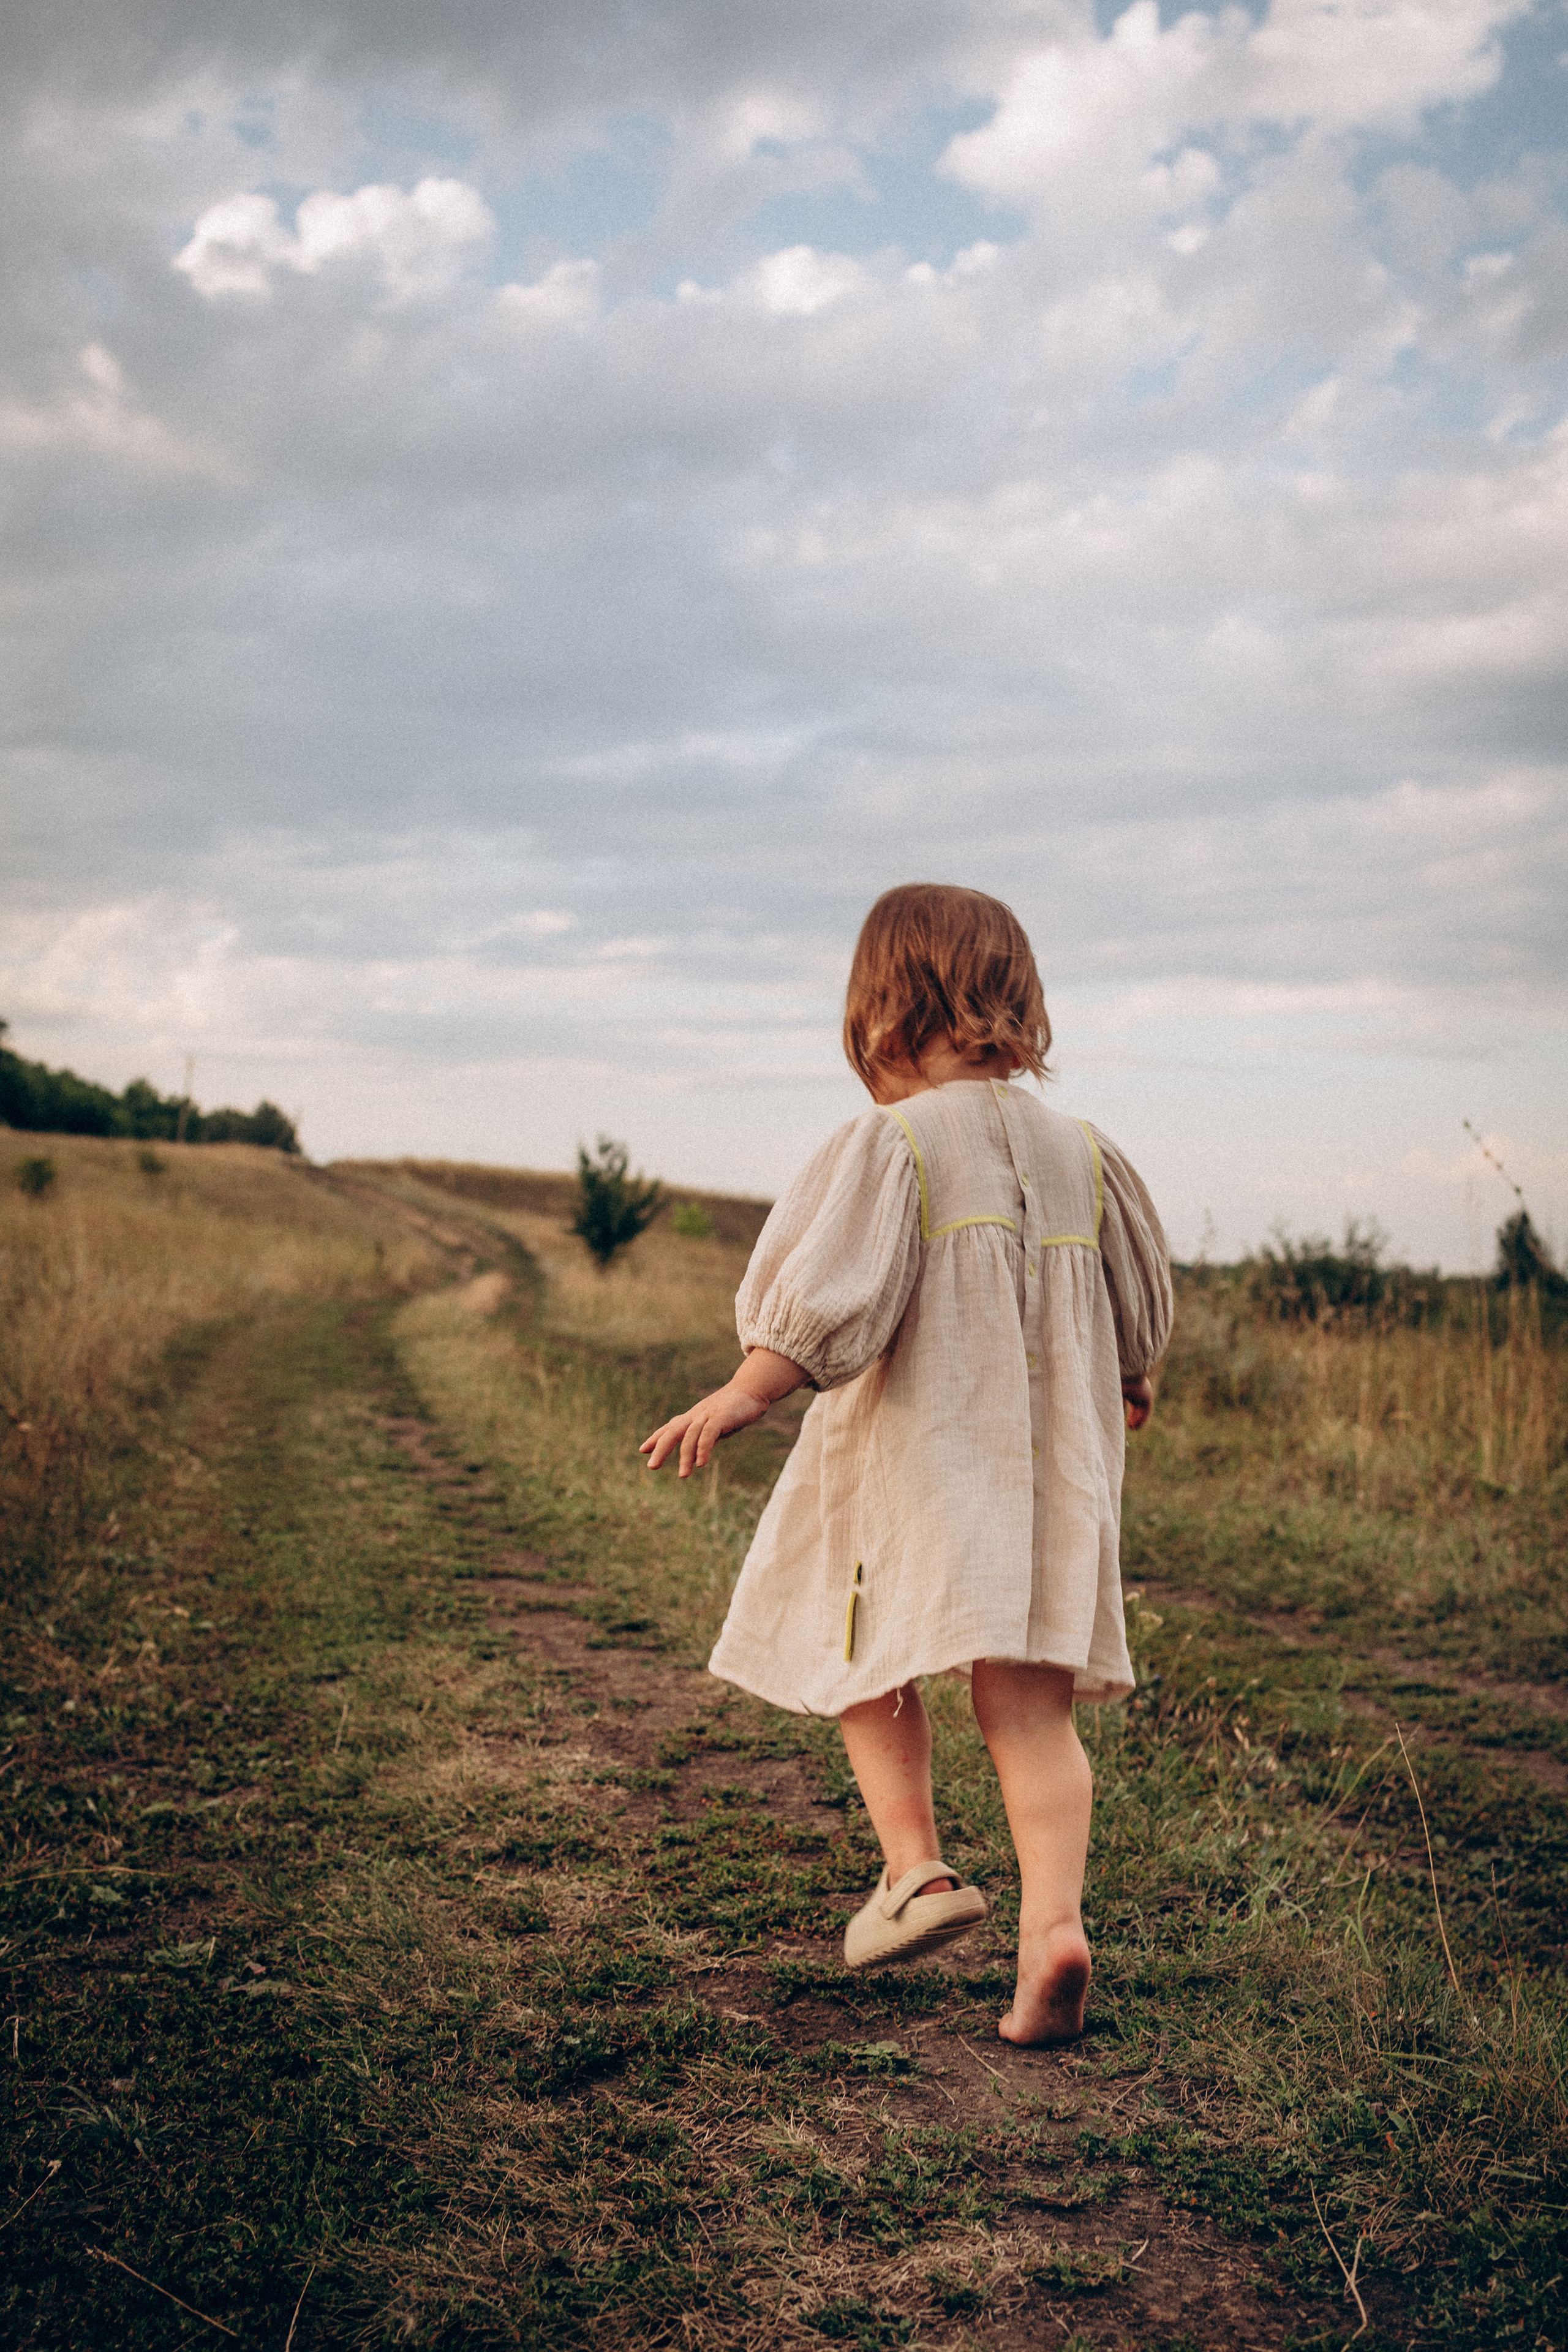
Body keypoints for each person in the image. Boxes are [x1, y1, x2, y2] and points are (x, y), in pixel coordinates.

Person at [641, 883, 1172, 2045]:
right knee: (1030, 1710)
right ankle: (1055, 1932)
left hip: (916, 1463)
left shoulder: (895, 1145)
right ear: (1014, 1005)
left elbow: (834, 1296)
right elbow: (1134, 1305)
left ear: (882, 1014)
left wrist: (747, 1389)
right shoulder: (1087, 1152)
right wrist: (1131, 1377)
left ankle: (917, 1874)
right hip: (1050, 1482)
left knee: (862, 1655)